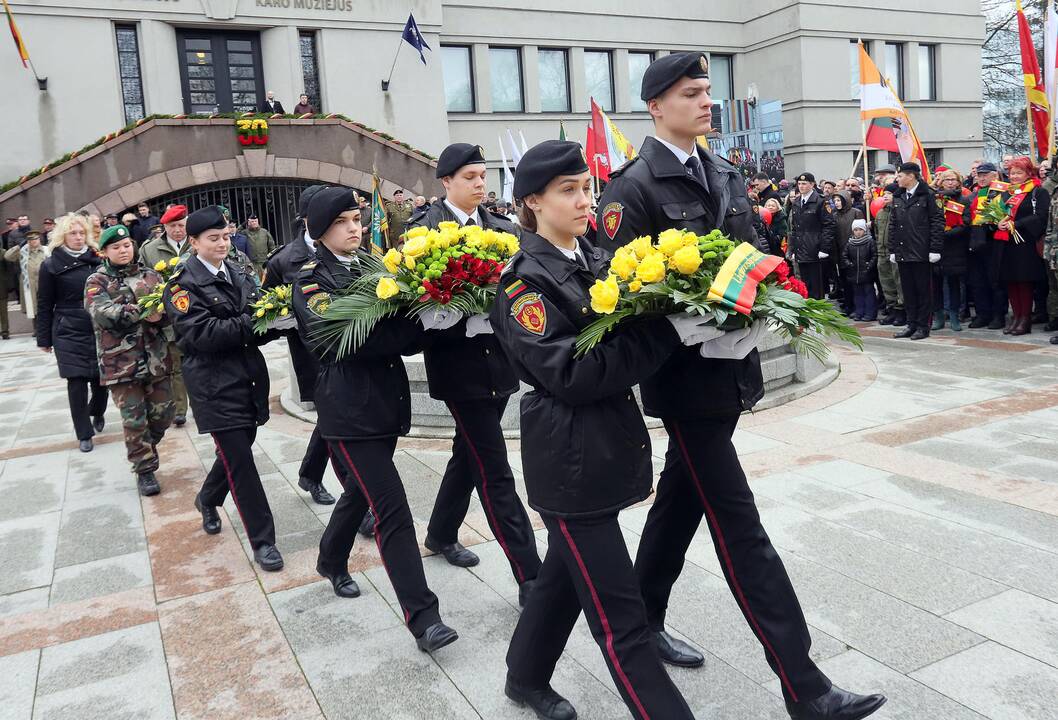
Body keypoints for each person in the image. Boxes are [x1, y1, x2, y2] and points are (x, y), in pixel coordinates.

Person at [597, 52, 886, 720]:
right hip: (686, 386)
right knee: (741, 527)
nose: (707, 103)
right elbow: (619, 298)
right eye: (693, 93)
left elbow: (751, 261)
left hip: (734, 368)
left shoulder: (725, 172)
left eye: (707, 92)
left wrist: (758, 311)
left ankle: (641, 616)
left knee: (679, 502)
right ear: (656, 105)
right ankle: (805, 686)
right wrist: (692, 328)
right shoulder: (631, 190)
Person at [497, 140, 697, 720]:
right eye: (569, 191)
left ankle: (525, 675)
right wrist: (667, 336)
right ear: (532, 202)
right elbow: (571, 373)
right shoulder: (521, 284)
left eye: (587, 187)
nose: (586, 200)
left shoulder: (596, 260)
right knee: (621, 618)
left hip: (603, 443)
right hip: (570, 458)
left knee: (564, 573)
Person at [292, 186, 457, 651]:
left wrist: (428, 322)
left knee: (360, 492)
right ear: (321, 229)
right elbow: (338, 340)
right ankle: (424, 618)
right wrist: (410, 325)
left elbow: (400, 335)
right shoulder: (309, 281)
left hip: (384, 404)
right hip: (347, 412)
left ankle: (329, 558)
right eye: (344, 221)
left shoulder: (374, 267)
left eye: (356, 219)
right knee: (391, 509)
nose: (354, 228)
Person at [407, 143, 542, 599]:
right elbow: (413, 306)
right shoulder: (421, 233)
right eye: (470, 177)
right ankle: (530, 574)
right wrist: (460, 314)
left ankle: (441, 532)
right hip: (458, 368)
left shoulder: (502, 229)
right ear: (445, 182)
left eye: (483, 176)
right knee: (494, 468)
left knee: (468, 453)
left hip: (500, 362)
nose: (480, 184)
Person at [164, 206, 284, 571]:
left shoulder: (239, 271)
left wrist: (278, 321)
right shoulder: (181, 284)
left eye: (225, 237)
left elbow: (258, 321)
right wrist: (254, 321)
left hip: (247, 377)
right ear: (194, 242)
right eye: (213, 239)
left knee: (237, 451)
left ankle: (207, 497)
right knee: (242, 462)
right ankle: (263, 541)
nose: (221, 243)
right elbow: (201, 335)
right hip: (213, 385)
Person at [261, 185, 339, 509]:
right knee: (336, 419)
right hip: (312, 356)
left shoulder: (347, 252)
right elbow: (263, 307)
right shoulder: (283, 260)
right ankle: (360, 503)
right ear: (308, 220)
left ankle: (310, 473)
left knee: (333, 419)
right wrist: (283, 317)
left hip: (348, 351)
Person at [85, 224, 174, 496]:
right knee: (134, 421)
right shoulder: (96, 281)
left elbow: (170, 307)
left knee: (163, 414)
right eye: (116, 247)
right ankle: (144, 470)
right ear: (105, 252)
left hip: (156, 358)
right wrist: (144, 310)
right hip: (120, 363)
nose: (123, 251)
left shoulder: (151, 276)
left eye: (126, 246)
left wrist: (164, 315)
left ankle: (145, 448)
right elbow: (104, 313)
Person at [36, 213, 109, 452]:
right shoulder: (50, 265)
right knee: (76, 380)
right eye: (73, 233)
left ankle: (97, 410)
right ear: (62, 236)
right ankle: (83, 433)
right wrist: (44, 338)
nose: (78, 238)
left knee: (101, 380)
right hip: (67, 327)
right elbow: (44, 303)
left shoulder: (98, 260)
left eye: (81, 233)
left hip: (97, 324)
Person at [140, 205, 191, 426]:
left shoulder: (197, 244)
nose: (178, 230)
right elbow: (142, 282)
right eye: (173, 226)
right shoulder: (150, 250)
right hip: (168, 318)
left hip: (197, 315)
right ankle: (180, 409)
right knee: (175, 366)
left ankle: (202, 402)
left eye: (181, 225)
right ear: (164, 227)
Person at [889, 162, 944, 340]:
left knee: (923, 291)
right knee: (908, 291)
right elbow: (894, 225)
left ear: (911, 176)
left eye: (900, 175)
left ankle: (923, 326)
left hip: (922, 250)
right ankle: (911, 324)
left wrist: (935, 248)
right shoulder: (898, 196)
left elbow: (937, 222)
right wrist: (893, 249)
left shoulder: (928, 194)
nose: (898, 179)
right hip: (904, 251)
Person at [997, 156, 1050, 335]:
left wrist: (1016, 224)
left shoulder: (1037, 191)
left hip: (1026, 243)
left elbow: (1042, 216)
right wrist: (999, 222)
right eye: (1012, 173)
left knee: (1024, 281)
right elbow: (1000, 213)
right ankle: (1016, 316)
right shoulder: (1007, 193)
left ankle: (1025, 319)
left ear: (1028, 173)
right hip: (1008, 243)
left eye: (1019, 173)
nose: (1014, 176)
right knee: (1011, 281)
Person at [965, 163, 1007, 329]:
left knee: (995, 281)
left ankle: (998, 315)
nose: (981, 178)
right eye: (979, 175)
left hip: (993, 241)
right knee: (978, 281)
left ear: (994, 175)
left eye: (985, 175)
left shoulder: (1002, 192)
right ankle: (983, 314)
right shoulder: (973, 196)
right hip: (975, 242)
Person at [933, 169, 971, 332]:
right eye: (946, 179)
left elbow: (967, 221)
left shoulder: (963, 199)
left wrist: (948, 233)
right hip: (936, 246)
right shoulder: (934, 199)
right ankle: (939, 316)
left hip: (955, 246)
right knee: (936, 284)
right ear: (940, 182)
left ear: (959, 182)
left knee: (954, 283)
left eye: (953, 179)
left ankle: (955, 316)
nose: (950, 182)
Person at [788, 172, 836, 299]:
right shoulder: (797, 201)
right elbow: (795, 228)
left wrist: (824, 249)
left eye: (804, 183)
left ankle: (818, 312)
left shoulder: (821, 201)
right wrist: (793, 249)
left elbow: (829, 226)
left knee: (816, 286)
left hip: (815, 249)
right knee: (804, 285)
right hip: (801, 249)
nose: (801, 186)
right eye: (799, 184)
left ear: (812, 184)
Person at [3, 230, 49, 324]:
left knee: (47, 305)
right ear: (27, 241)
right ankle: (37, 329)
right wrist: (19, 246)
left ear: (39, 239)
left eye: (36, 239)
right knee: (33, 306)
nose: (34, 241)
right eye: (30, 240)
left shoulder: (46, 250)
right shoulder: (23, 252)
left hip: (45, 283)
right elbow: (7, 256)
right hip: (30, 284)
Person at [842, 219, 877, 321]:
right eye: (856, 230)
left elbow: (874, 256)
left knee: (869, 293)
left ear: (864, 230)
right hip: (854, 273)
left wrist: (869, 266)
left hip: (867, 273)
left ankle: (870, 313)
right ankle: (859, 312)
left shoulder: (870, 242)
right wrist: (849, 264)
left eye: (860, 230)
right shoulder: (850, 243)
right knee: (858, 294)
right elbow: (844, 256)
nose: (858, 232)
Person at [830, 190, 859, 313]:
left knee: (855, 281)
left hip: (854, 250)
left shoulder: (856, 213)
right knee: (844, 281)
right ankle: (848, 305)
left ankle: (857, 305)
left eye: (839, 200)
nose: (837, 203)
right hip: (839, 252)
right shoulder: (834, 215)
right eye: (835, 200)